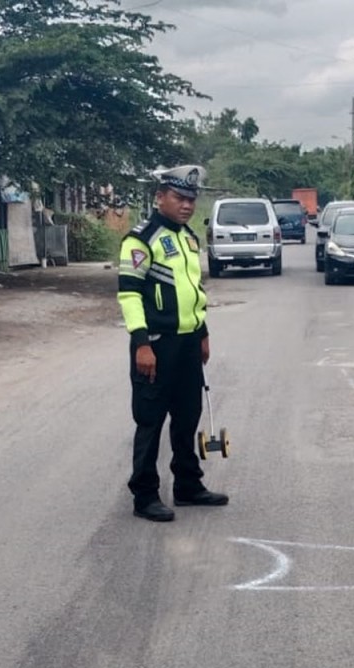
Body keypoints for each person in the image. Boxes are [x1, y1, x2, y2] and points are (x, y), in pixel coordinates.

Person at [117, 165, 229, 522]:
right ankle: (145, 495)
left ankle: (187, 485)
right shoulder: (141, 239)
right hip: (156, 344)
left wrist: (203, 332)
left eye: (191, 199)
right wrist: (140, 344)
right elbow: (130, 294)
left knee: (187, 417)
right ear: (160, 197)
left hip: (187, 344)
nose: (186, 205)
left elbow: (193, 292)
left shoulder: (188, 238)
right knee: (150, 420)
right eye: (179, 198)